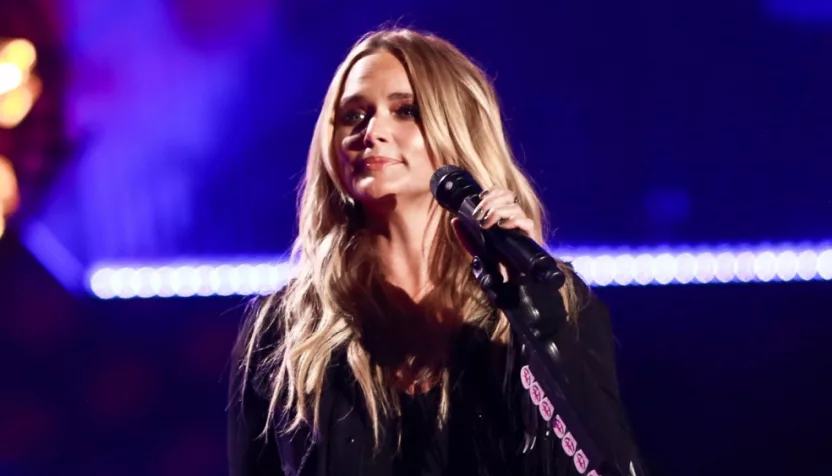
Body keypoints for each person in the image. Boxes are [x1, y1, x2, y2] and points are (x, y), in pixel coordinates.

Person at [227, 27, 646, 476]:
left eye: (406, 110)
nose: (372, 131)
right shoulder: (287, 330)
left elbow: (610, 464)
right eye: (354, 115)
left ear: (457, 129)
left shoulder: (553, 299)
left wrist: (535, 324)